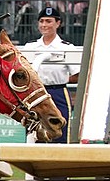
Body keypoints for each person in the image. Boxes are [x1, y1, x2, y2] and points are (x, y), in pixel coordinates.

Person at [23, 7, 79, 143]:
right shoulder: (30, 47)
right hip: (35, 94)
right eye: (41, 21)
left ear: (58, 23)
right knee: (34, 130)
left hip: (58, 91)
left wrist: (60, 79)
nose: (44, 25)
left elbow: (77, 74)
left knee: (61, 129)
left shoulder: (67, 47)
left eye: (48, 21)